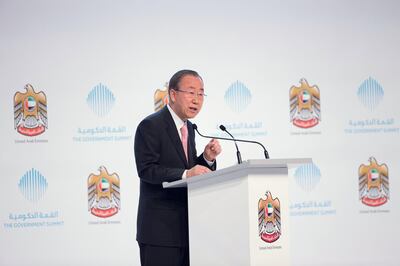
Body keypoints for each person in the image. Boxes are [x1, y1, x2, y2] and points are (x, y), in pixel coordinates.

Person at [134, 70, 222, 266]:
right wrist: (186, 173)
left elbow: (188, 169)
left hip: (189, 231)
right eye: (191, 92)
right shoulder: (150, 125)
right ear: (173, 94)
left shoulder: (189, 128)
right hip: (160, 233)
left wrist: (207, 158)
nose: (197, 100)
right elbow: (147, 169)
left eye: (201, 94)